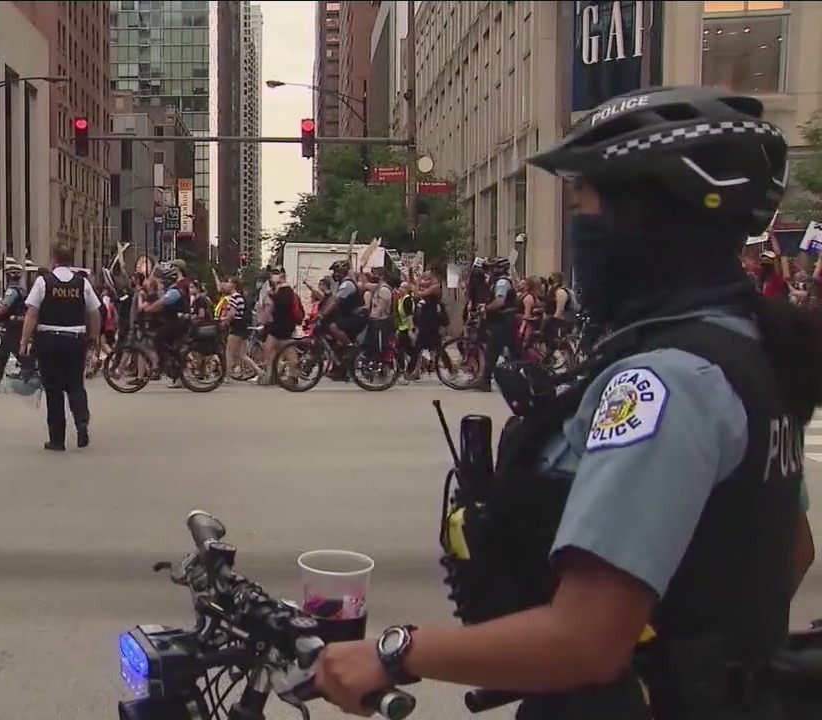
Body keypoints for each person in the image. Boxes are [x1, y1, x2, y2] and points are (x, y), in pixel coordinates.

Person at [314, 86, 817, 720]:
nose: (579, 230)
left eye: (584, 205)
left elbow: (584, 642)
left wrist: (394, 654)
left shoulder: (662, 384)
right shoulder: (752, 352)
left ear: (649, 216)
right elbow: (787, 550)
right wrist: (698, 640)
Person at [18, 244, 102, 451]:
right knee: (75, 384)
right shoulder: (82, 283)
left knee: (53, 389)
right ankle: (81, 423)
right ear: (70, 261)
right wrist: (94, 338)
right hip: (75, 339)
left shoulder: (43, 281)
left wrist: (24, 342)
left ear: (53, 259)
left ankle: (57, 439)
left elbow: (31, 313)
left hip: (49, 341)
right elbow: (95, 312)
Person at [476, 257, 521, 391]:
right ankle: (527, 376)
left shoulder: (501, 282)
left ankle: (485, 381)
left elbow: (499, 302)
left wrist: (486, 308)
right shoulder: (498, 281)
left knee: (493, 352)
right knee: (515, 352)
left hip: (503, 322)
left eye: (491, 267)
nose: (489, 271)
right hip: (504, 321)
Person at [0, 265, 28, 386]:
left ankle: (28, 367)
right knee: (4, 353)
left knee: (10, 349)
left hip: (11, 323)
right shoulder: (23, 290)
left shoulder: (11, 291)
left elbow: (3, 309)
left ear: (8, 277)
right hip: (20, 322)